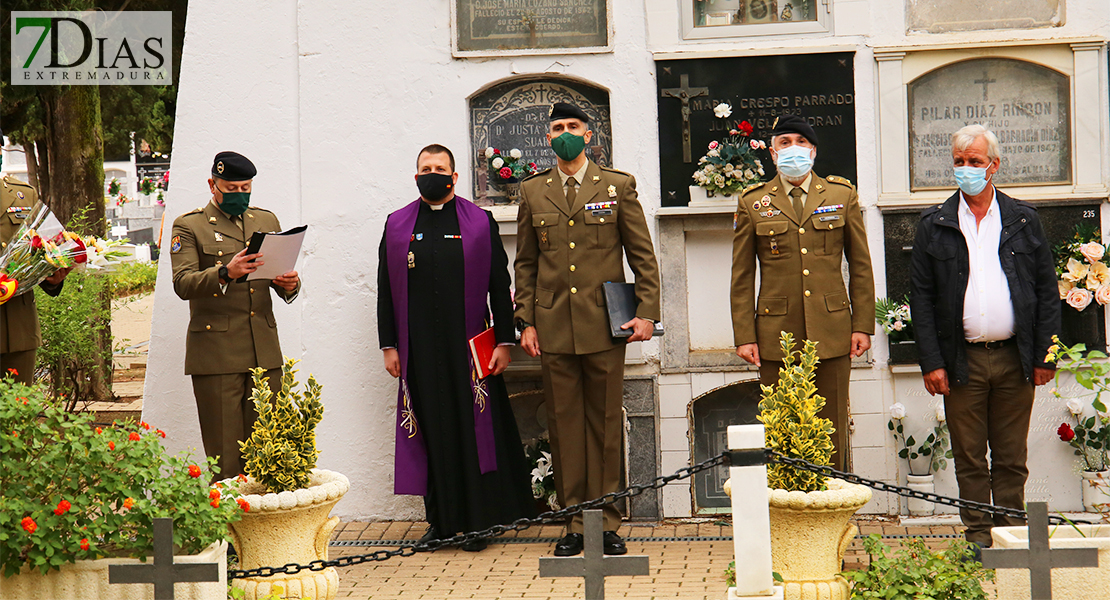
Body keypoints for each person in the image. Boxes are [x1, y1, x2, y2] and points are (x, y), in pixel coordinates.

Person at [514, 102, 661, 557]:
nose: (564, 134)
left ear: (589, 135)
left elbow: (642, 254)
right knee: (564, 425)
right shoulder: (533, 192)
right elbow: (525, 262)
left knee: (602, 423)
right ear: (549, 137)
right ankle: (574, 522)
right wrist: (526, 320)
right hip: (554, 325)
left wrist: (647, 312)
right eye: (556, 128)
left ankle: (606, 522)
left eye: (572, 127)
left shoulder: (616, 186)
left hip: (605, 324)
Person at [909, 124, 1059, 556]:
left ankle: (1011, 534)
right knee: (970, 456)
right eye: (959, 162)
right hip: (961, 362)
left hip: (1015, 357)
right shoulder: (934, 224)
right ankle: (977, 536)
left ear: (994, 166)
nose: (967, 169)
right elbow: (921, 298)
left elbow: (1047, 291)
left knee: (1011, 455)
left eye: (975, 162)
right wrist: (930, 362)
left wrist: (1046, 354)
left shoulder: (1022, 220)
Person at [378, 144, 535, 553]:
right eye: (425, 168)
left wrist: (505, 340)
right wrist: (388, 345)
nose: (433, 173)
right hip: (418, 351)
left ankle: (478, 522)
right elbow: (384, 292)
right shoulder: (397, 225)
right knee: (431, 432)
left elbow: (499, 287)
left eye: (440, 168)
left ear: (454, 176)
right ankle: (440, 523)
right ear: (416, 176)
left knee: (472, 433)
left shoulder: (479, 222)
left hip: (468, 348)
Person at [730, 114, 874, 472]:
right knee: (781, 427)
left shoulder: (842, 195)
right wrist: (745, 335)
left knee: (832, 424)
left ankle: (831, 504)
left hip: (833, 329)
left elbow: (860, 265)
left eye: (800, 142)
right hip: (777, 332)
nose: (793, 149)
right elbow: (742, 275)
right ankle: (789, 511)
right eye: (784, 143)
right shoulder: (753, 202)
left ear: (812, 151)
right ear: (773, 154)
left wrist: (863, 325)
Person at [169, 151, 300, 478]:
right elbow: (182, 283)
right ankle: (228, 529)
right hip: (217, 356)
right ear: (213, 184)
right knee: (227, 459)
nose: (239, 195)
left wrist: (289, 284)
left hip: (264, 351)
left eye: (246, 188)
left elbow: (274, 277)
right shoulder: (189, 226)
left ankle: (265, 528)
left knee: (270, 452)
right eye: (231, 188)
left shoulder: (266, 221)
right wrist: (225, 272)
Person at [1, 142, 70, 384]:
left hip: (15, 330)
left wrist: (52, 276)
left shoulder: (24, 194)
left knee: (18, 415)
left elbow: (50, 248)